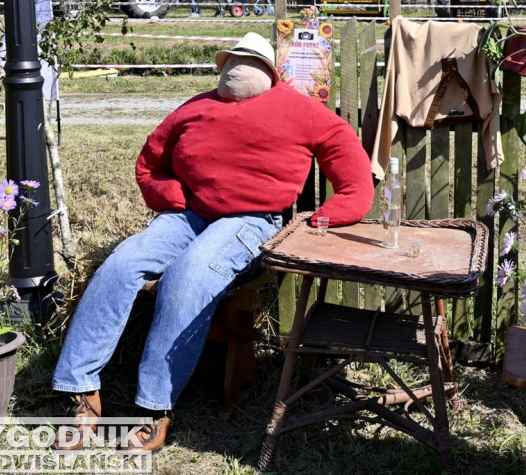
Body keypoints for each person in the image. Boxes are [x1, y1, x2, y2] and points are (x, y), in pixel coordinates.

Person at [52, 32, 374, 453]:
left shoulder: (302, 110)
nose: (237, 69)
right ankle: (80, 390)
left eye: (246, 62)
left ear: (269, 72)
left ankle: (154, 406)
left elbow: (350, 166)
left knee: (189, 276)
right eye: (232, 61)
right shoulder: (196, 106)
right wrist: (170, 197)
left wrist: (330, 213)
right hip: (187, 214)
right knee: (120, 264)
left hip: (251, 219)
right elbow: (151, 160)